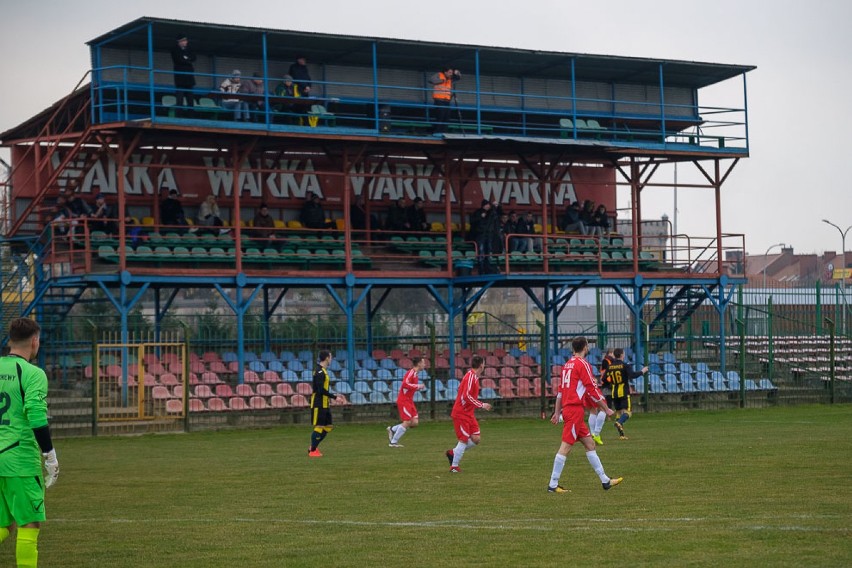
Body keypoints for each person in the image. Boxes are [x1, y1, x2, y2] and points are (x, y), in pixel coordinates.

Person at [0, 318, 60, 567]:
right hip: (20, 460)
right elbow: (36, 416)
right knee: (29, 524)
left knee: (5, 523)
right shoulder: (33, 374)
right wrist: (50, 455)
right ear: (35, 341)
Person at [547, 336, 622, 493]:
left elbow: (560, 392)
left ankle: (605, 480)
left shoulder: (567, 365)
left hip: (571, 410)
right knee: (566, 447)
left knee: (589, 444)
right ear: (585, 347)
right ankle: (553, 484)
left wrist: (556, 412)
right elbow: (592, 389)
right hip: (574, 410)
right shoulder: (583, 364)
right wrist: (606, 408)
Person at [445, 355, 492, 473]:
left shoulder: (473, 377)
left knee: (476, 439)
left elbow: (462, 391)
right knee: (463, 439)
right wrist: (481, 404)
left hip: (468, 413)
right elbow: (466, 396)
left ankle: (453, 453)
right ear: (481, 365)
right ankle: (454, 467)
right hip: (461, 413)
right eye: (484, 363)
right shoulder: (470, 376)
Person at [604, 347, 648, 440]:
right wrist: (642, 371)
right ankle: (619, 423)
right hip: (624, 391)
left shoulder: (610, 366)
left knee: (619, 412)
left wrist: (612, 380)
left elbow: (604, 379)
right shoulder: (625, 365)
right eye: (623, 354)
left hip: (614, 392)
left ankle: (621, 435)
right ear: (621, 355)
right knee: (628, 412)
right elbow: (632, 375)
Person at [308, 350, 344, 457]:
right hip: (318, 403)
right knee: (319, 426)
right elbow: (320, 390)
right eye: (331, 357)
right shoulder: (319, 371)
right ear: (327, 358)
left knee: (328, 426)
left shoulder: (323, 371)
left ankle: (312, 447)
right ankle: (313, 451)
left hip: (324, 403)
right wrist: (334, 397)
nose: (331, 359)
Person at [386, 357, 428, 447]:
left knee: (415, 422)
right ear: (419, 363)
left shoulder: (415, 374)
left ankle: (393, 429)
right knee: (408, 421)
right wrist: (418, 386)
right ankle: (393, 442)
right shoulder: (411, 373)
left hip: (409, 401)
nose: (425, 365)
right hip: (404, 400)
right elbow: (405, 384)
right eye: (423, 363)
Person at [588, 347, 615, 445]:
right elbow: (603, 374)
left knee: (593, 410)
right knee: (603, 408)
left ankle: (592, 434)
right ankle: (596, 433)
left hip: (587, 390)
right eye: (611, 353)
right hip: (594, 389)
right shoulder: (605, 361)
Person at [470, 200, 501, 274]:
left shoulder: (491, 213)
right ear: (484, 205)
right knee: (481, 252)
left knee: (488, 253)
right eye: (487, 205)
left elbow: (498, 212)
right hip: (480, 235)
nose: (488, 206)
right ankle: (481, 269)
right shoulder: (477, 212)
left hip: (488, 235)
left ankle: (487, 269)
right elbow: (472, 221)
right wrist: (480, 217)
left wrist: (497, 205)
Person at [170, 34, 196, 115]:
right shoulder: (174, 49)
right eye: (184, 41)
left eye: (186, 40)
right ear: (179, 42)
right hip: (180, 77)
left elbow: (194, 57)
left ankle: (191, 114)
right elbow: (178, 60)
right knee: (180, 97)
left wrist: (186, 58)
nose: (186, 42)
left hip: (189, 77)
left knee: (190, 97)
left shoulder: (189, 48)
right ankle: (179, 114)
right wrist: (187, 60)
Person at [429, 65, 461, 133]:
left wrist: (457, 73)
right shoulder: (439, 74)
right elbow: (431, 80)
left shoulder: (450, 79)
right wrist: (441, 80)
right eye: (449, 72)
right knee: (440, 115)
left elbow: (458, 78)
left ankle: (444, 131)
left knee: (446, 116)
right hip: (439, 100)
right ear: (445, 72)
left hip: (447, 100)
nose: (451, 74)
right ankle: (437, 131)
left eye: (452, 73)